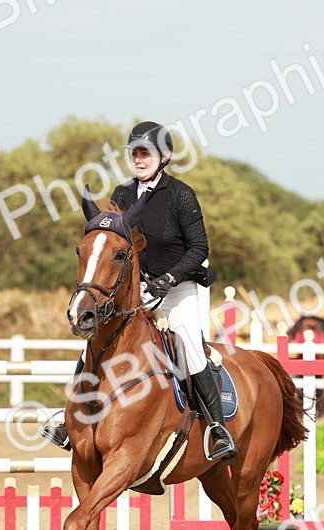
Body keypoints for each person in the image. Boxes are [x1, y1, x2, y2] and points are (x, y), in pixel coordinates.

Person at [41, 121, 237, 462]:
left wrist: (170, 279)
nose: (139, 159)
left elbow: (199, 248)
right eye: (135, 153)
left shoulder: (180, 194)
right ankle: (69, 417)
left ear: (163, 157)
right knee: (97, 342)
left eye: (145, 153)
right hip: (138, 289)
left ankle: (217, 429)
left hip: (181, 287)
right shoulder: (122, 195)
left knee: (189, 343)